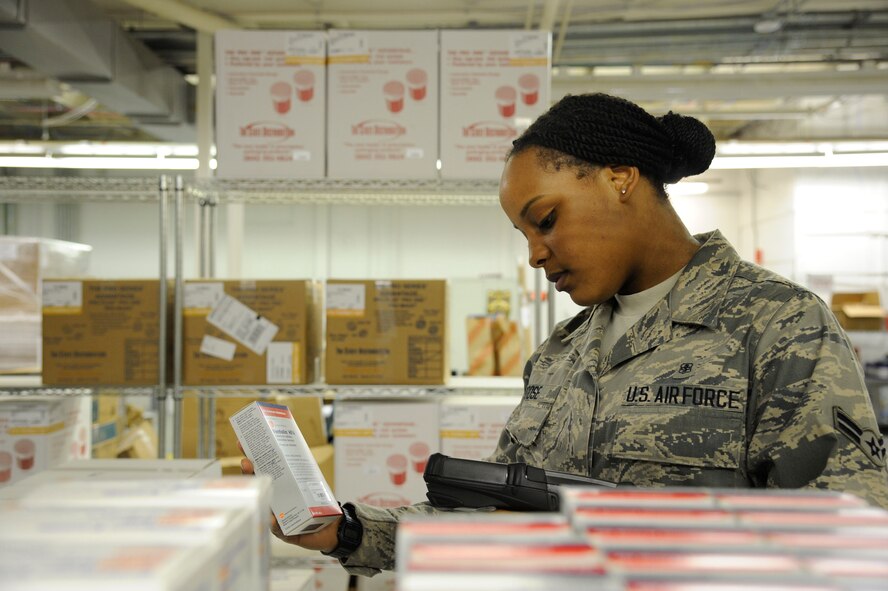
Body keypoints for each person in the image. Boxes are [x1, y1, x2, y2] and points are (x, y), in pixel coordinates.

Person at [242, 92, 888, 576]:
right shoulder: (563, 352)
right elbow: (486, 517)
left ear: (619, 178)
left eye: (545, 220)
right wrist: (346, 531)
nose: (535, 253)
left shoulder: (777, 325)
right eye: (523, 234)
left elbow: (842, 535)